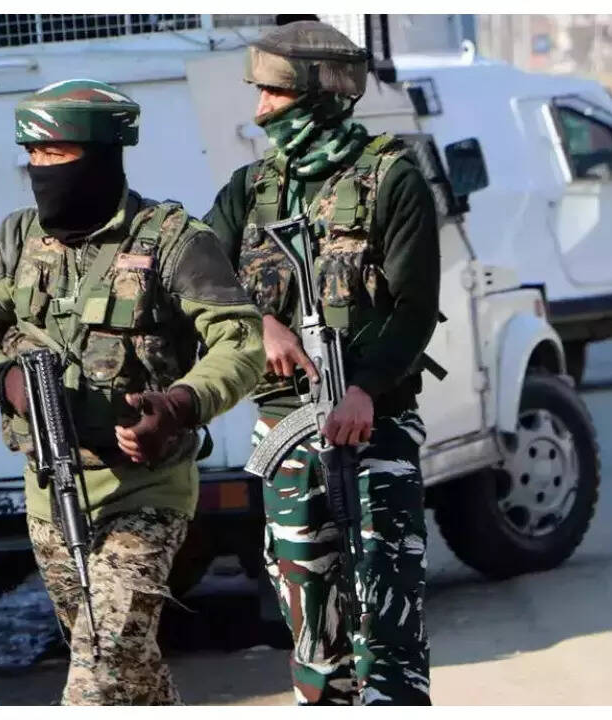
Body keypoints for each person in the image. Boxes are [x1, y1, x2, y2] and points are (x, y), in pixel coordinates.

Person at [0, 79, 265, 705]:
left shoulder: (173, 240)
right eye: (33, 156)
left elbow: (239, 341)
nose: (41, 169)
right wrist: (5, 380)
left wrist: (179, 405)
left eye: (57, 155)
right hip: (50, 491)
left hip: (146, 489)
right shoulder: (15, 240)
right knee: (125, 665)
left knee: (101, 661)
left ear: (104, 155)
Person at [203, 21, 442, 705]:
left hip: (374, 429)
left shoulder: (392, 180)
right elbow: (197, 281)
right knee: (311, 630)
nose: (261, 111)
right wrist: (260, 325)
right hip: (286, 433)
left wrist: (365, 389)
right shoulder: (250, 190)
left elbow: (414, 309)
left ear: (320, 94)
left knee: (388, 623)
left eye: (275, 94)